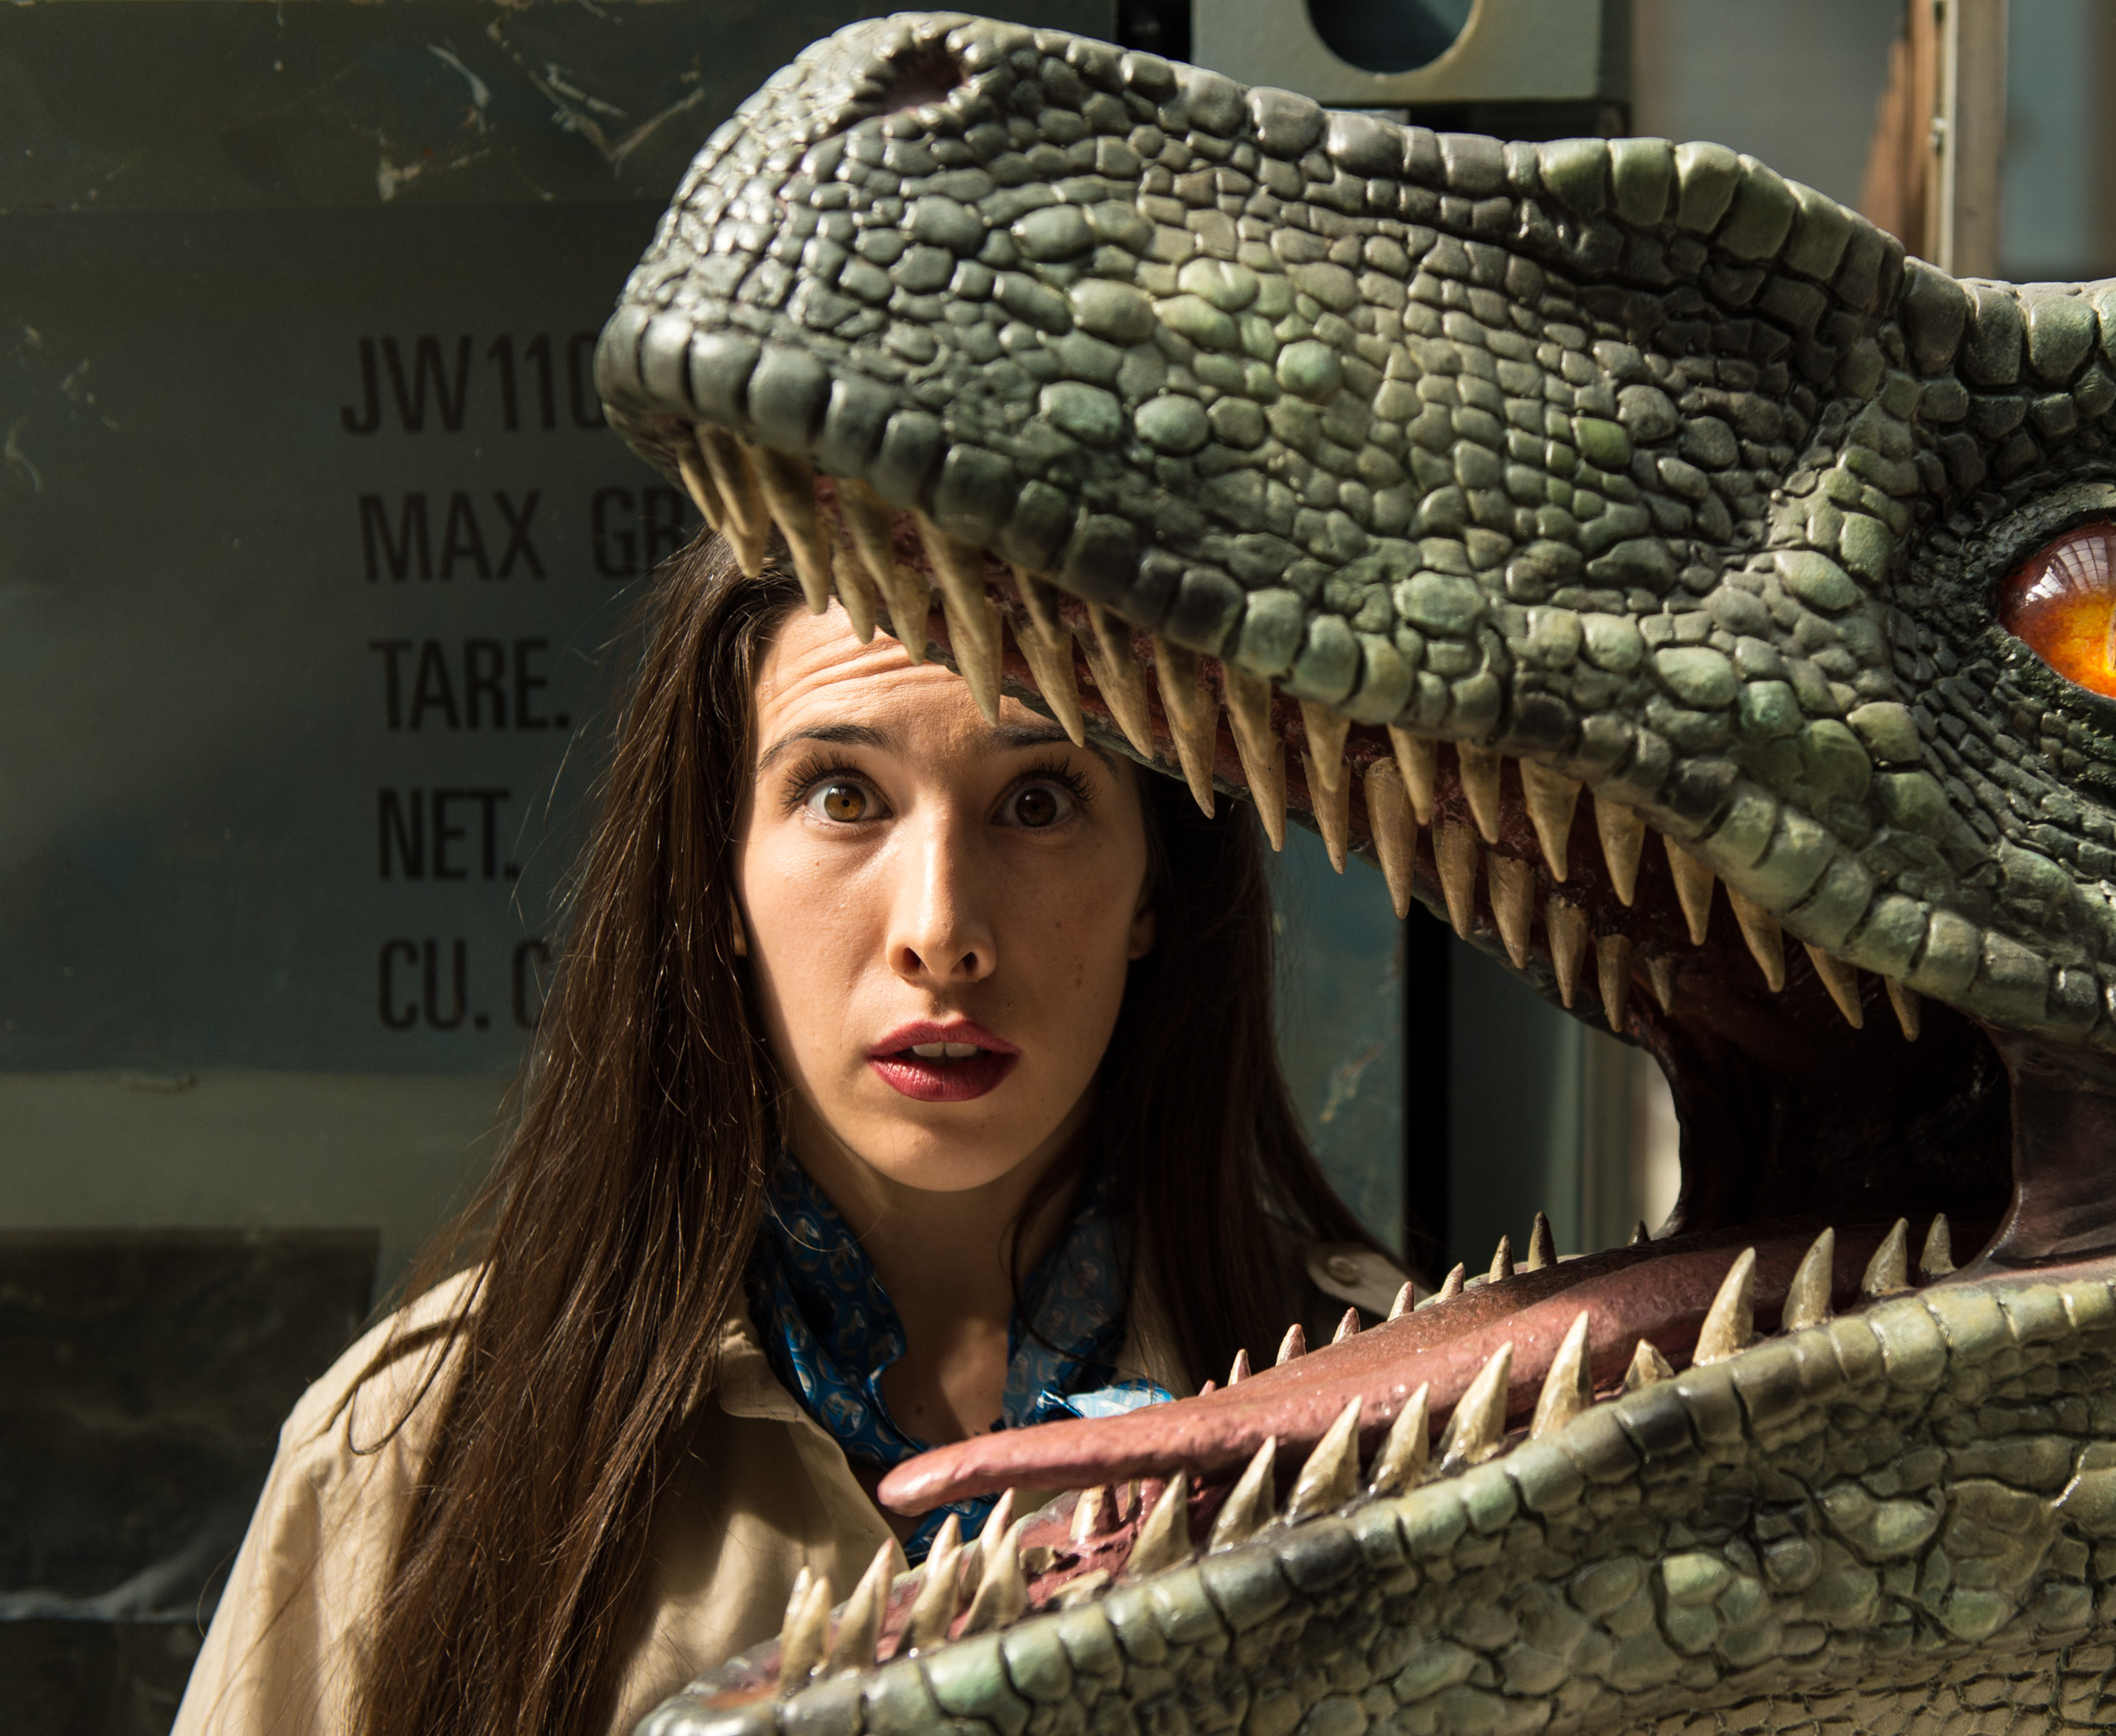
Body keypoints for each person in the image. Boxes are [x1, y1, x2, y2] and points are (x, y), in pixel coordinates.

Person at [171, 536, 1406, 1736]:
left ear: (1155, 885)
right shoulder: (421, 1456)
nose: (941, 929)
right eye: (841, 794)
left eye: (1037, 800)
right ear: (716, 878)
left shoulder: (1420, 1413)